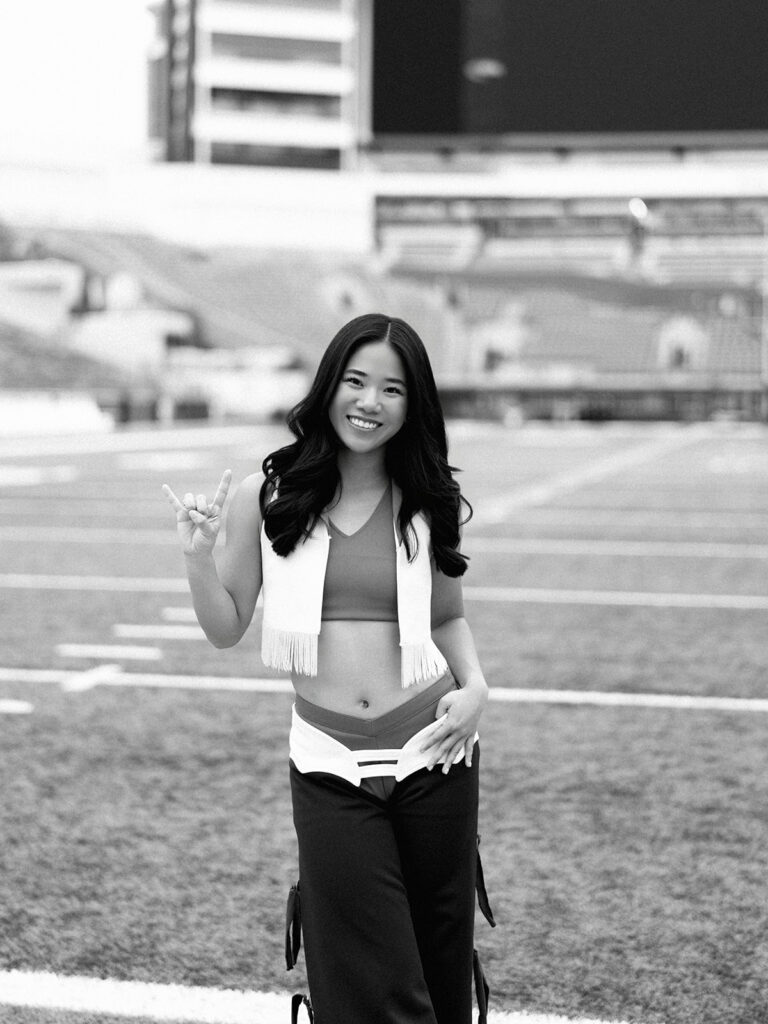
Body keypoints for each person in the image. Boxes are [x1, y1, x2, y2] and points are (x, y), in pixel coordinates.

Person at [163, 313, 493, 1024]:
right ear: (330, 385)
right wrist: (197, 556)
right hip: (328, 762)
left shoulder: (427, 498)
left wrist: (476, 687)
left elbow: (447, 616)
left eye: (392, 389)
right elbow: (226, 627)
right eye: (356, 381)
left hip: (435, 751)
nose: (370, 402)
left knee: (440, 976)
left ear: (414, 404)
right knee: (370, 986)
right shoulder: (269, 493)